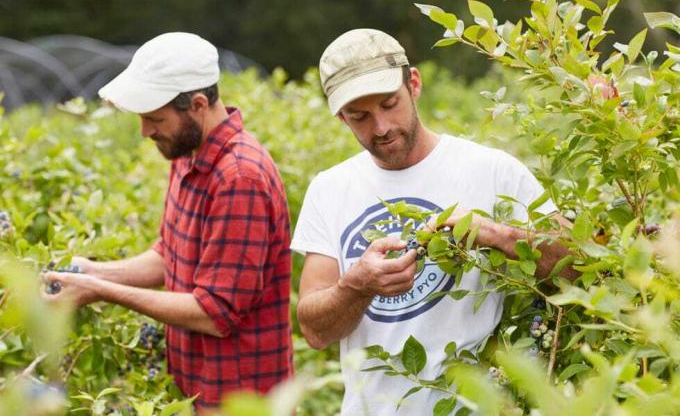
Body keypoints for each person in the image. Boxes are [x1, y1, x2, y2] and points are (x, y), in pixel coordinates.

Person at [291, 28, 577, 415]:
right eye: (360, 116)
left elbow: (576, 268)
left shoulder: (491, 171)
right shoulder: (329, 189)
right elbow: (315, 330)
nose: (381, 128)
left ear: (414, 84)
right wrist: (357, 286)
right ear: (342, 117)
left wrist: (490, 232)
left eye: (390, 104)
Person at [42, 32, 293, 411]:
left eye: (155, 118)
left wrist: (101, 291)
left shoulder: (240, 178)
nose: (145, 131)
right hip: (197, 385)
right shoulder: (187, 153)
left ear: (197, 105)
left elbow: (214, 314)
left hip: (240, 397)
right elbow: (168, 255)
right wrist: (94, 271)